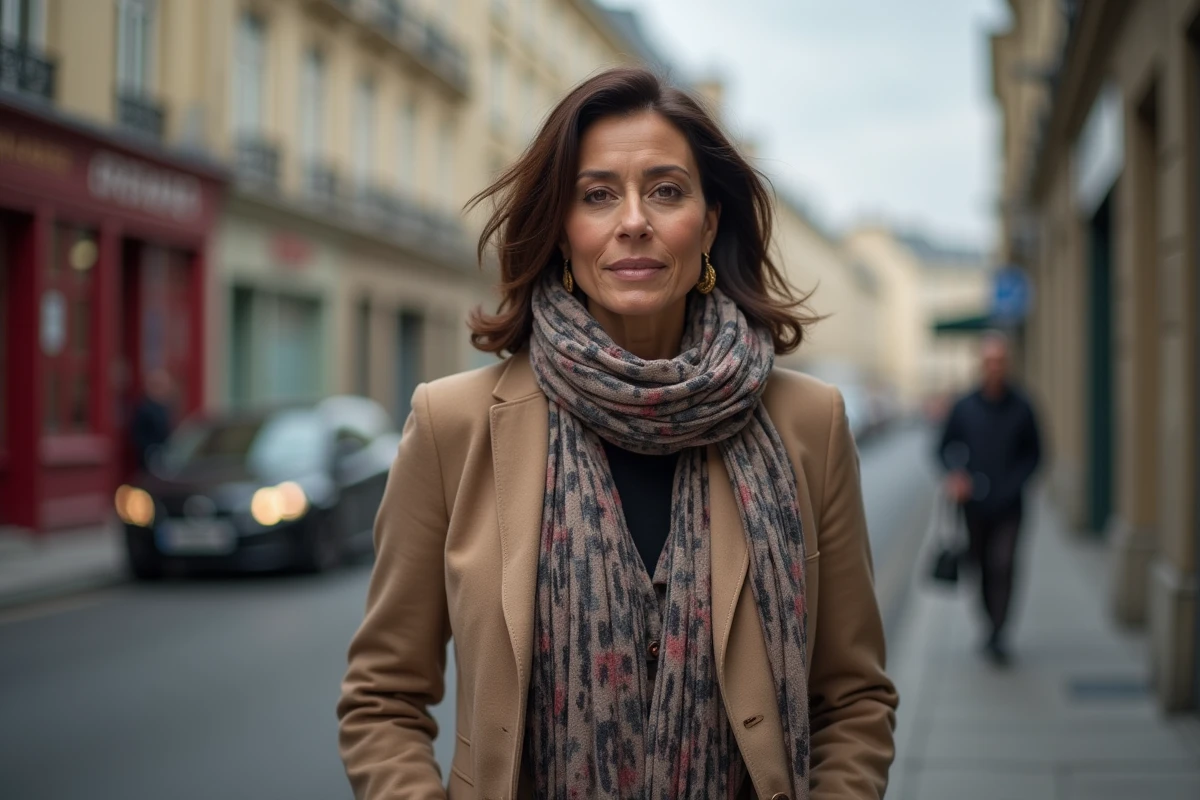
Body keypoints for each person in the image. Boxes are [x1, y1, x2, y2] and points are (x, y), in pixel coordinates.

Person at [338, 68, 897, 800]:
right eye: (598, 195)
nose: (633, 220)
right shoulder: (454, 425)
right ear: (561, 229)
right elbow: (382, 701)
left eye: (666, 191)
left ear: (709, 223)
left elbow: (854, 701)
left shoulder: (808, 424)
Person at [938, 331, 1042, 666]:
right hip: (974, 506)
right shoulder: (964, 406)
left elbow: (1036, 454)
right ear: (981, 365)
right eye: (989, 361)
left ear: (1007, 364)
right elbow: (943, 448)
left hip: (1010, 505)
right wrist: (956, 475)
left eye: (1000, 361)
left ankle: (1000, 631)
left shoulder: (1023, 406)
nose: (995, 366)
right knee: (981, 566)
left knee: (1004, 564)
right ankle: (989, 625)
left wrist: (1014, 484)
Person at [130, 369, 174, 472]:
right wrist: (150, 452)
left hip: (164, 458)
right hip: (151, 459)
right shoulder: (145, 408)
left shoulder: (164, 407)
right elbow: (139, 435)